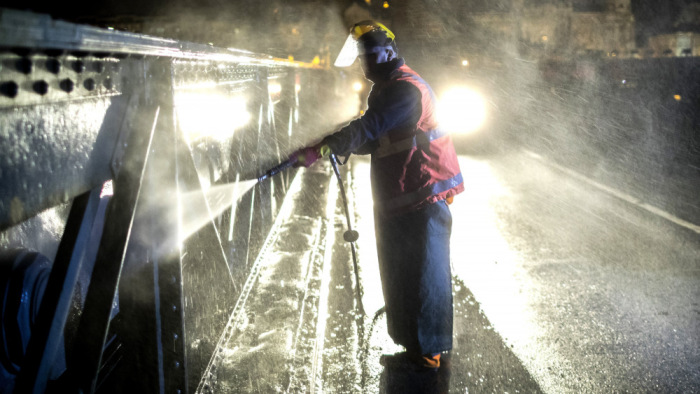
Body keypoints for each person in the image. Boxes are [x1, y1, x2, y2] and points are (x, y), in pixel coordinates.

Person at [293, 20, 464, 369]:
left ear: (384, 54)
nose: (362, 63)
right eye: (360, 57)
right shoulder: (387, 87)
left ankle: (429, 349)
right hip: (403, 190)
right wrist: (335, 145)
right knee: (400, 266)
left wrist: (329, 145)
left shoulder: (404, 90)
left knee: (424, 270)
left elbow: (368, 127)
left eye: (365, 57)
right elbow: (378, 136)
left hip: (424, 191)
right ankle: (410, 341)